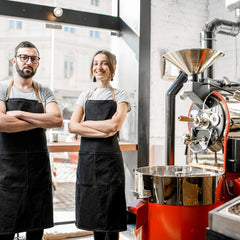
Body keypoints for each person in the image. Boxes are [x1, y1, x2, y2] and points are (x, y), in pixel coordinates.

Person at [0, 41, 63, 240]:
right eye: (24, 57)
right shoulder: (2, 88)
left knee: (36, 231)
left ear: (37, 63)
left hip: (38, 173)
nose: (28, 62)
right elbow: (2, 123)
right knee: (4, 230)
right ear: (14, 61)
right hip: (7, 172)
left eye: (33, 58)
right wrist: (40, 122)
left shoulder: (44, 91)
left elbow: (57, 120)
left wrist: (18, 113)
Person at [69, 50, 131, 240]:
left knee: (111, 212)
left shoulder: (121, 95)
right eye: (95, 63)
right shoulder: (85, 95)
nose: (99, 67)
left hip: (110, 162)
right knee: (93, 211)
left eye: (104, 63)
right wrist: (102, 130)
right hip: (88, 162)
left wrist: (85, 125)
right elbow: (72, 126)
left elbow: (114, 125)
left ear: (112, 68)